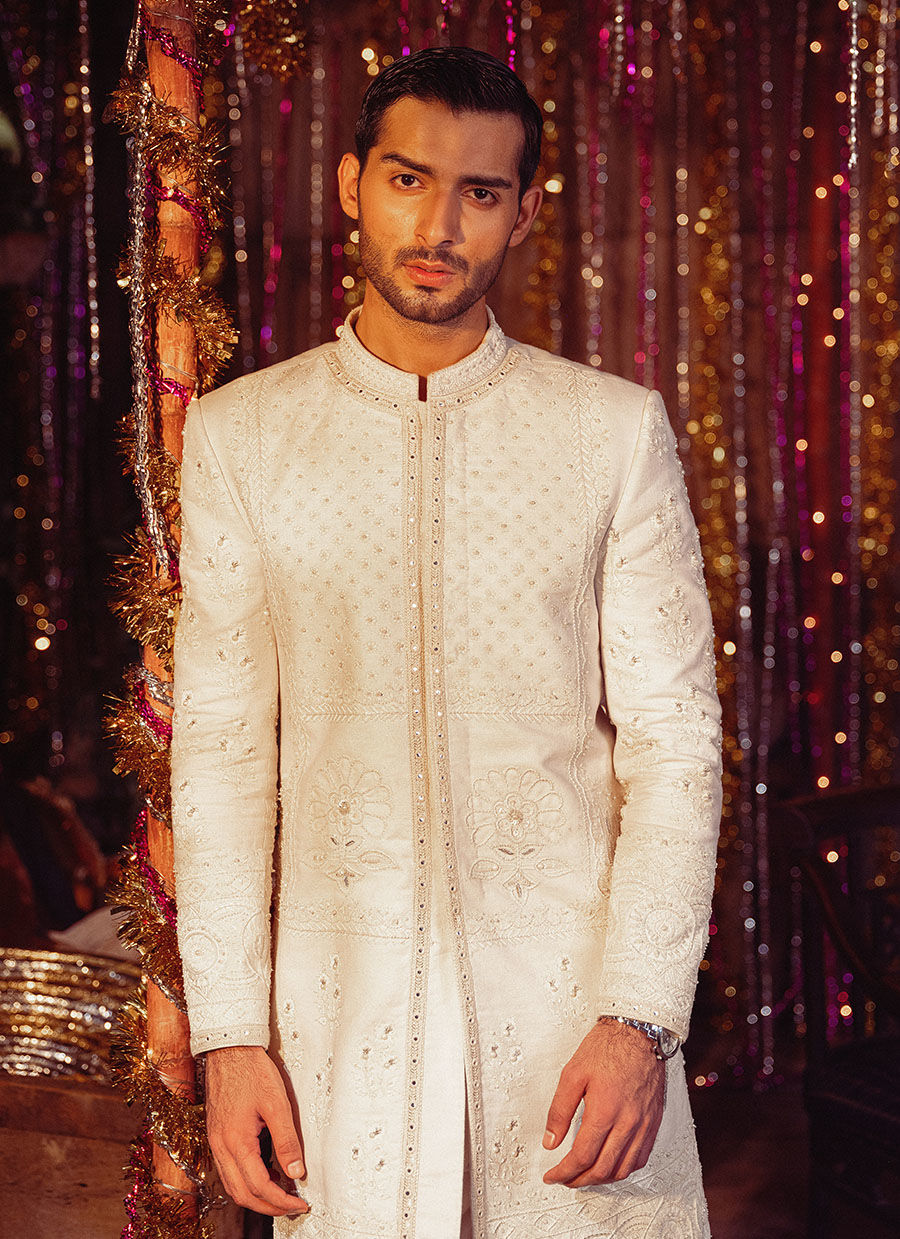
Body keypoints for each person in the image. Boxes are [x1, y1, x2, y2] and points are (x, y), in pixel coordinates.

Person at [171, 45, 722, 1239]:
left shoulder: (611, 435)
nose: (438, 226)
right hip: (335, 1022)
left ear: (523, 214)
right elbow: (219, 755)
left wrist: (641, 1018)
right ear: (352, 185)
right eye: (409, 180)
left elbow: (676, 745)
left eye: (480, 192)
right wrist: (230, 1035)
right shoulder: (241, 438)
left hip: (572, 1024)